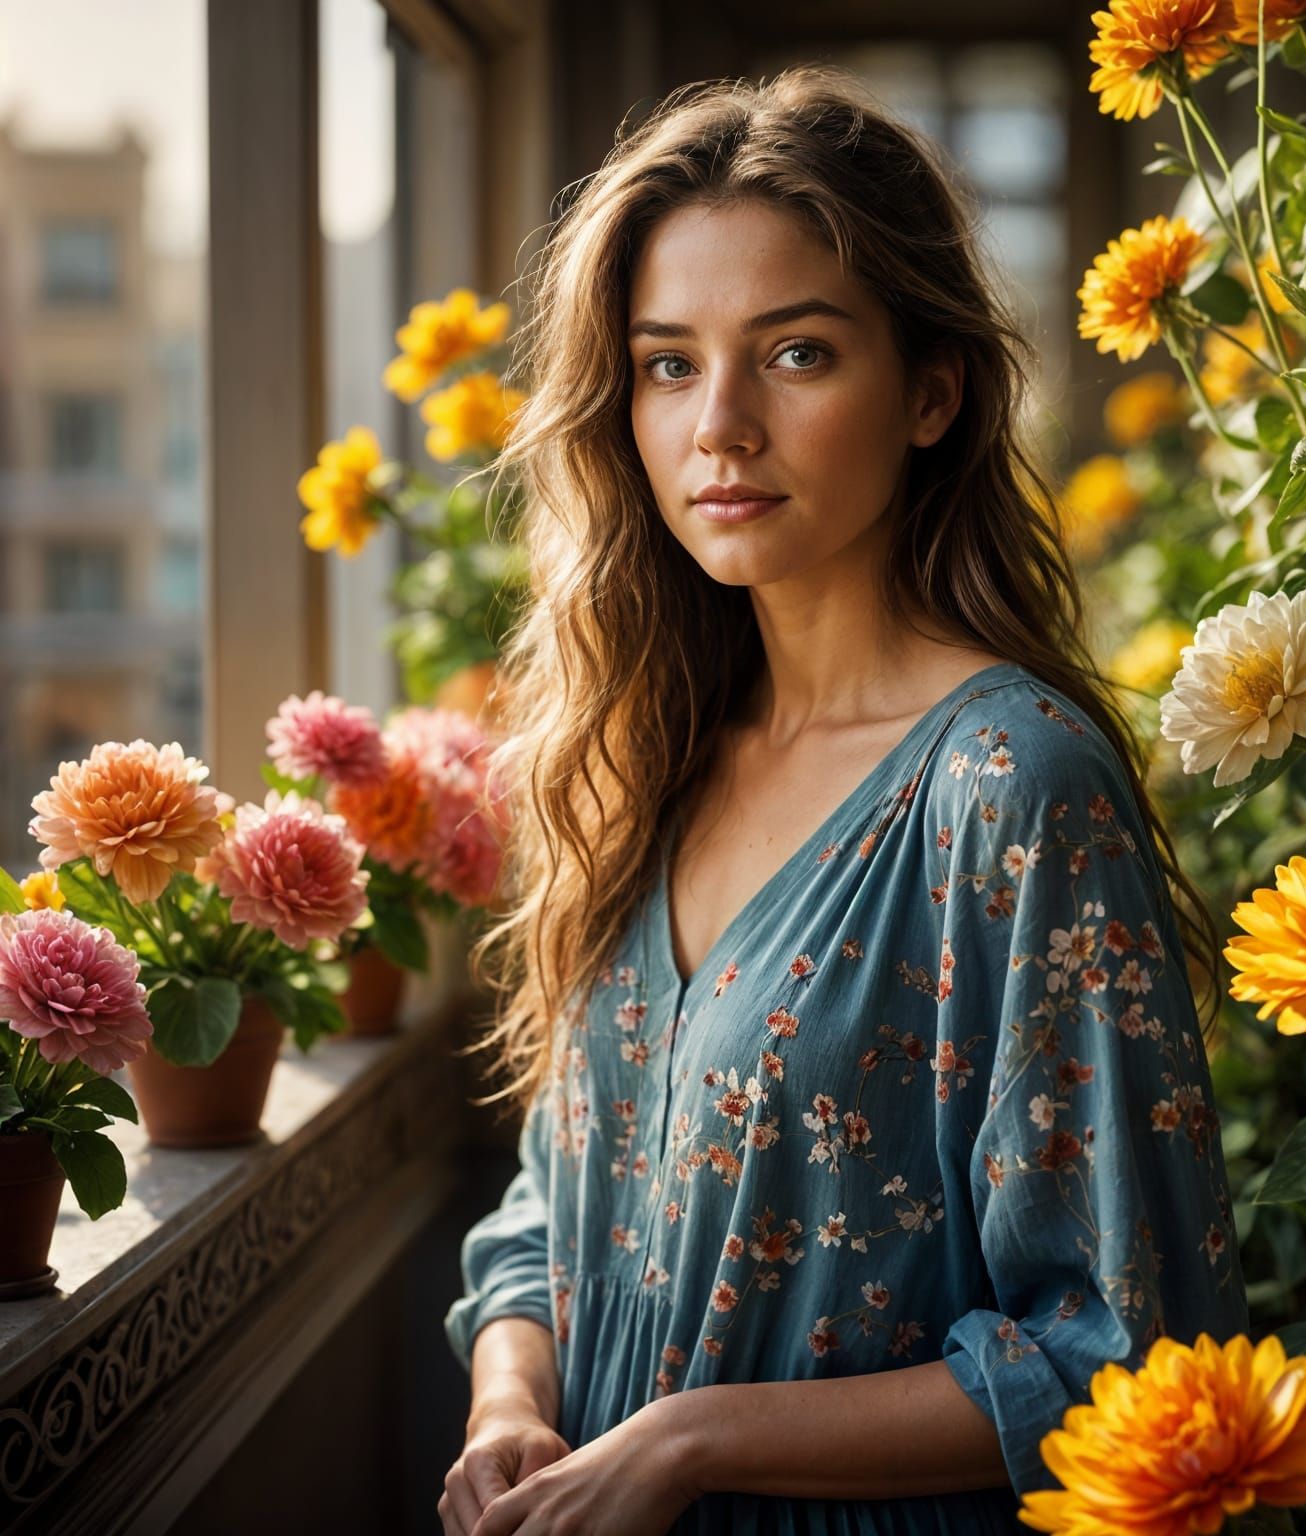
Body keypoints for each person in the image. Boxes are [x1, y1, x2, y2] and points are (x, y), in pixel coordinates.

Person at [439, 63, 1248, 1536]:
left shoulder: (1009, 785)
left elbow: (1128, 1354)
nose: (719, 428)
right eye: (668, 363)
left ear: (931, 391)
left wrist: (691, 1441)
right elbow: (559, 1200)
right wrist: (513, 1403)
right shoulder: (643, 750)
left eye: (796, 355)